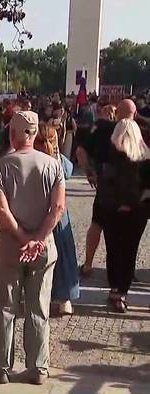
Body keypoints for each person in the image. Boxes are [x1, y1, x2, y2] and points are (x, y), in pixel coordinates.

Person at [0, 111, 65, 385]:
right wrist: (38, 238)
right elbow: (57, 208)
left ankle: (1, 367)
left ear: (13, 134)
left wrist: (22, 237)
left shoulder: (3, 165)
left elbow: (2, 211)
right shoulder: (53, 165)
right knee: (39, 308)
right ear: (34, 134)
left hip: (11, 244)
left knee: (6, 307)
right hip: (43, 247)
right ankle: (38, 368)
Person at [96, 109, 149, 313]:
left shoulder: (109, 154)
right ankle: (123, 292)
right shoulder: (145, 158)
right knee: (129, 250)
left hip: (112, 209)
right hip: (137, 212)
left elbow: (104, 184)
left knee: (113, 248)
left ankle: (114, 288)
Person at [34, 126, 79, 315]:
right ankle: (65, 298)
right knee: (64, 256)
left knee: (37, 257)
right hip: (59, 216)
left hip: (36, 213)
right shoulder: (59, 162)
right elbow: (69, 170)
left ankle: (37, 295)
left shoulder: (32, 160)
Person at [76, 104, 116, 276]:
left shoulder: (98, 128)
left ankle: (88, 264)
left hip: (105, 183)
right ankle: (118, 270)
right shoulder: (131, 128)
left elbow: (80, 151)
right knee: (118, 229)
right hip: (126, 186)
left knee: (97, 224)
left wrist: (89, 172)